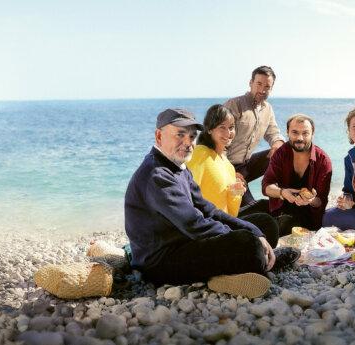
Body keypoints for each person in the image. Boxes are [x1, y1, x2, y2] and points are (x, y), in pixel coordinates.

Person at [124, 108, 299, 297]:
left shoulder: (178, 167)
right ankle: (230, 273)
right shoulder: (156, 174)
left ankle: (240, 266)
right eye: (180, 135)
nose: (188, 143)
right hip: (160, 261)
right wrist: (248, 237)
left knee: (265, 225)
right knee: (249, 244)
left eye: (191, 137)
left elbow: (209, 210)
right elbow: (194, 224)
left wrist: (254, 231)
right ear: (159, 136)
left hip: (184, 240)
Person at [186, 104, 267, 216]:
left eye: (231, 127)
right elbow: (187, 196)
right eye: (222, 127)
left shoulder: (228, 165)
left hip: (225, 223)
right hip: (207, 224)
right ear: (209, 129)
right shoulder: (200, 154)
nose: (228, 133)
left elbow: (232, 212)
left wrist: (236, 193)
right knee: (265, 220)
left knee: (264, 207)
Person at [224, 66, 285, 207]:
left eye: (267, 86)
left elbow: (273, 132)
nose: (262, 90)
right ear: (250, 83)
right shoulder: (234, 104)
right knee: (252, 208)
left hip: (247, 164)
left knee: (284, 153)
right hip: (228, 166)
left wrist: (278, 144)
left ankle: (283, 198)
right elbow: (218, 141)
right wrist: (228, 171)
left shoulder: (267, 109)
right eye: (259, 84)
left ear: (272, 88)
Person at [262, 114, 332, 234]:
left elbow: (321, 201)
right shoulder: (280, 154)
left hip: (309, 218)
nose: (300, 138)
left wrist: (311, 200)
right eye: (295, 132)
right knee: (251, 216)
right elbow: (266, 186)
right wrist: (282, 192)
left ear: (312, 134)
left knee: (282, 225)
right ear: (287, 132)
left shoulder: (323, 161)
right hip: (281, 209)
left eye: (305, 133)